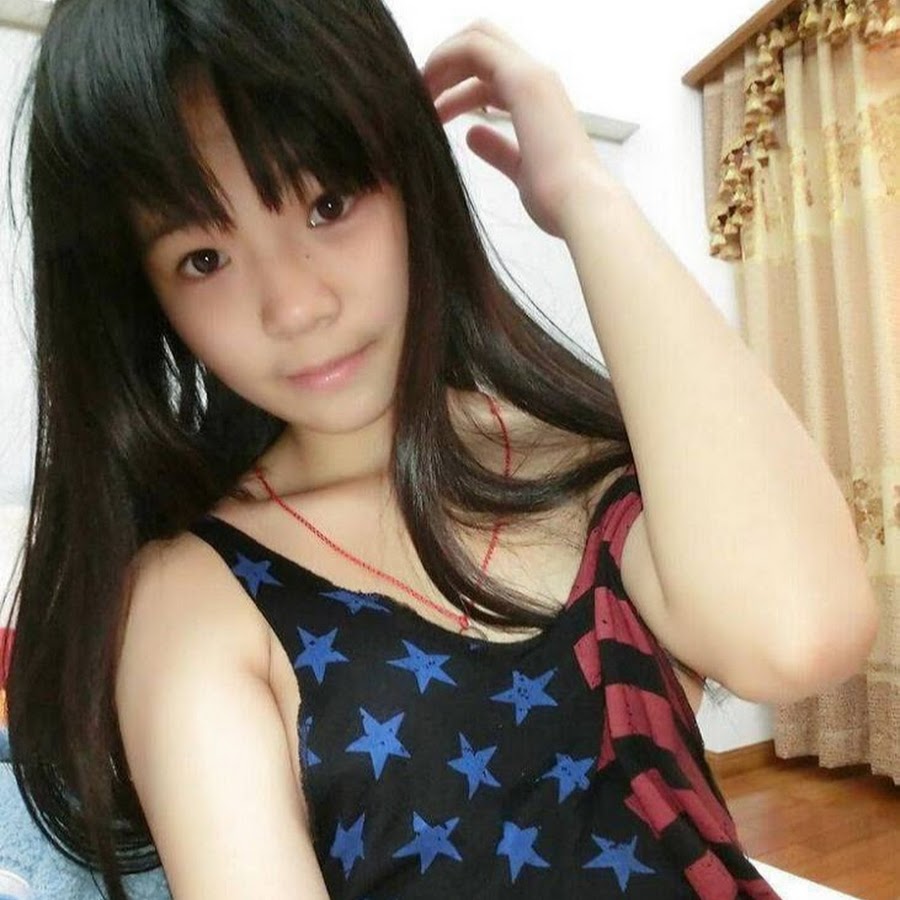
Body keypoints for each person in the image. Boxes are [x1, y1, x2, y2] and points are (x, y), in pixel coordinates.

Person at [2, 1, 878, 899]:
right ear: (145, 296)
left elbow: (799, 637)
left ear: (409, 176)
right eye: (203, 259)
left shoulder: (586, 466)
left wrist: (586, 195)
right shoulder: (192, 594)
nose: (295, 306)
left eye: (328, 202)